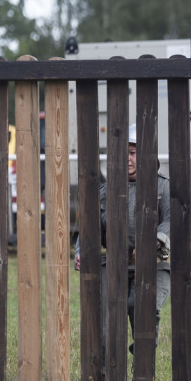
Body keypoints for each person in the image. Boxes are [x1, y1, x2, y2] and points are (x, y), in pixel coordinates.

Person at [74, 125, 171, 347]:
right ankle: (108, 373)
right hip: (115, 264)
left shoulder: (163, 187)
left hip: (154, 265)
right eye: (123, 153)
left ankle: (143, 362)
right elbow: (90, 227)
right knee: (107, 315)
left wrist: (155, 240)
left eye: (133, 153)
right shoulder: (107, 191)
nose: (127, 159)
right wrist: (81, 251)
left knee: (142, 306)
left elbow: (171, 220)